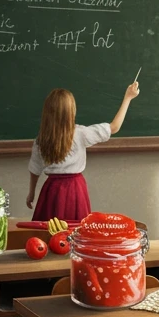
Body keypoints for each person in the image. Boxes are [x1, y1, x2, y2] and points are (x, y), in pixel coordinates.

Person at [27, 82, 139, 222]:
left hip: (52, 190)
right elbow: (114, 127)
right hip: (75, 188)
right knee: (76, 233)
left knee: (51, 231)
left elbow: (35, 169)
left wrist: (31, 193)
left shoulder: (41, 139)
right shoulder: (80, 133)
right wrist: (128, 97)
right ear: (71, 112)